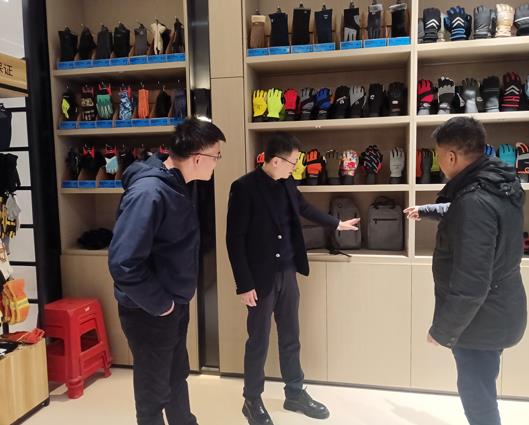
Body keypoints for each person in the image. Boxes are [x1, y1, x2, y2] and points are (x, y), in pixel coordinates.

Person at [226, 132, 360, 425]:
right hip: (259, 280)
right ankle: (252, 400)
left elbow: (304, 208)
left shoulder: (287, 182)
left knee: (290, 337)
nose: (296, 167)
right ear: (275, 161)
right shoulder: (243, 188)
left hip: (287, 272)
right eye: (293, 162)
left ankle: (295, 393)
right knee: (258, 341)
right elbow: (234, 240)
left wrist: (337, 223)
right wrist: (244, 284)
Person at [404, 116, 527, 425]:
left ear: (451, 156)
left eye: (437, 155)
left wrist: (443, 330)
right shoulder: (499, 182)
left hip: (480, 319)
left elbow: (472, 282)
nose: (438, 162)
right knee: (481, 387)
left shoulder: (474, 198)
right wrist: (428, 210)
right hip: (499, 308)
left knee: (477, 397)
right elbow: (467, 210)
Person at [108, 118, 226, 425]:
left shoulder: (176, 184)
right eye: (216, 156)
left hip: (171, 304)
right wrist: (162, 304)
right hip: (149, 310)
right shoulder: (149, 193)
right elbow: (124, 263)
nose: (217, 163)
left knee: (175, 376)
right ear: (197, 158)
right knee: (153, 394)